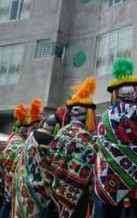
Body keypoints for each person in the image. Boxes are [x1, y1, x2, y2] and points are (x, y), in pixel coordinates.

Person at [94, 58, 137, 218]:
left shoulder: (105, 116)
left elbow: (100, 146)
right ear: (136, 91)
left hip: (112, 177)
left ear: (116, 93)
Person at [49, 77, 98, 218]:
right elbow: (92, 164)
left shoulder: (61, 132)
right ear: (88, 115)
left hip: (57, 186)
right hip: (78, 192)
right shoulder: (87, 138)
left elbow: (51, 156)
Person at [12, 105, 66, 218]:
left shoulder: (30, 137)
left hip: (23, 185)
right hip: (37, 190)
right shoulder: (47, 140)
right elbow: (52, 164)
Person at [0, 99, 44, 218]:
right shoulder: (21, 144)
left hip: (7, 177)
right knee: (9, 203)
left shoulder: (12, 141)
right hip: (13, 178)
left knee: (7, 203)